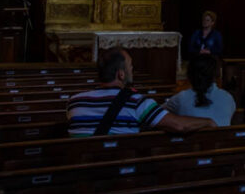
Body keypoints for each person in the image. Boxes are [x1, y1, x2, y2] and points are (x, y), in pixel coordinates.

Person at [67, 47, 215, 136]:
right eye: (130, 66)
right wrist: (208, 121)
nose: (132, 69)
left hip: (82, 178)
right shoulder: (136, 102)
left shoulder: (75, 102)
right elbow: (178, 126)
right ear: (121, 74)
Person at [165, 55, 236, 127]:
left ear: (190, 75)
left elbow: (160, 115)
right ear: (216, 75)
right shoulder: (227, 97)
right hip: (222, 138)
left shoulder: (181, 98)